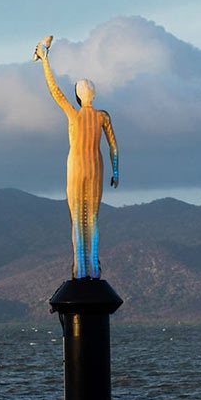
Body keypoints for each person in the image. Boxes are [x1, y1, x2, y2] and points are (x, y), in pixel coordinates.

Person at [35, 36, 119, 279]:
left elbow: (55, 91)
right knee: (92, 217)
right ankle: (93, 267)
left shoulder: (74, 114)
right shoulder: (103, 116)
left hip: (77, 167)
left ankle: (80, 268)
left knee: (76, 217)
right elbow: (113, 146)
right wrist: (116, 171)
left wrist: (44, 59)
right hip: (96, 167)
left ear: (79, 95)